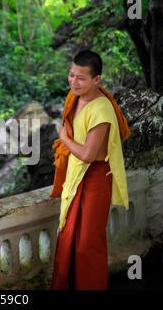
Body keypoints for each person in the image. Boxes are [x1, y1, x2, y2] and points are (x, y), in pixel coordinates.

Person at [49, 50, 131, 290]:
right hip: (76, 176)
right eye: (71, 75)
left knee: (87, 243)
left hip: (96, 177)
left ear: (97, 80)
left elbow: (88, 154)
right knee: (68, 238)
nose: (73, 82)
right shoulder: (74, 97)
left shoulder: (102, 109)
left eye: (81, 78)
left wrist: (63, 138)